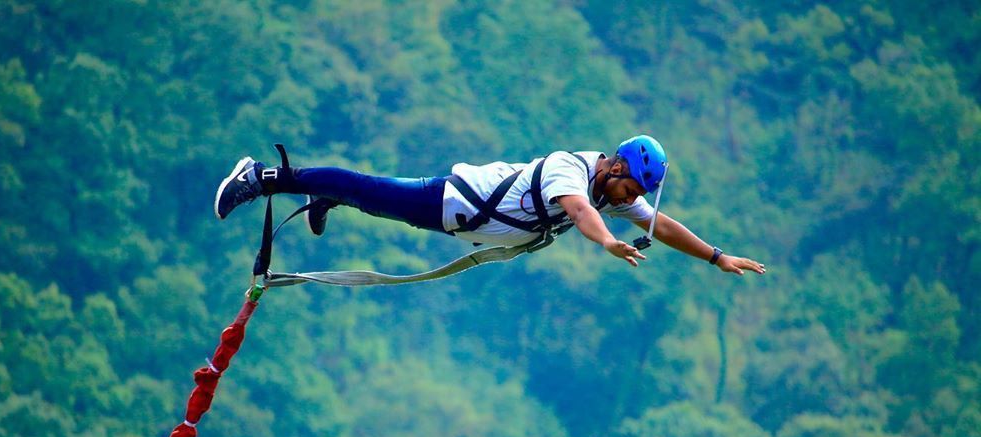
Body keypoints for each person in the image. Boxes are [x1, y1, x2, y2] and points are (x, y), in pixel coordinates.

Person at [213, 136, 766, 276]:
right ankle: (262, 176)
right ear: (617, 166)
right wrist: (607, 242)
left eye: (637, 197)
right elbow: (579, 213)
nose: (633, 202)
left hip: (458, 219)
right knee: (369, 190)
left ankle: (324, 194)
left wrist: (717, 257)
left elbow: (662, 225)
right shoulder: (571, 171)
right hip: (455, 199)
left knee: (373, 200)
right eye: (632, 191)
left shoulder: (608, 191)